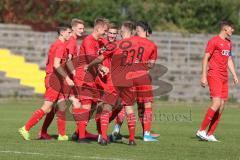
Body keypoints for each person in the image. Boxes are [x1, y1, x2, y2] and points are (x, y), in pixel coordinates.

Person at [18, 25, 73, 140]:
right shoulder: (61, 46)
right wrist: (67, 78)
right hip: (54, 79)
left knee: (62, 105)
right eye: (69, 32)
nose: (70, 34)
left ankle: (62, 135)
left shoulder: (56, 44)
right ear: (62, 32)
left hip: (57, 79)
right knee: (47, 107)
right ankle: (25, 128)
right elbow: (56, 64)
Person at [196, 21, 238, 142]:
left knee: (222, 106)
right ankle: (201, 130)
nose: (232, 31)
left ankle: (209, 134)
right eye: (231, 28)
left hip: (224, 77)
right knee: (216, 103)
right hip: (214, 75)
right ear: (225, 28)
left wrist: (234, 75)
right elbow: (205, 58)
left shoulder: (229, 43)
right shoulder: (213, 41)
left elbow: (228, 59)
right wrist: (203, 76)